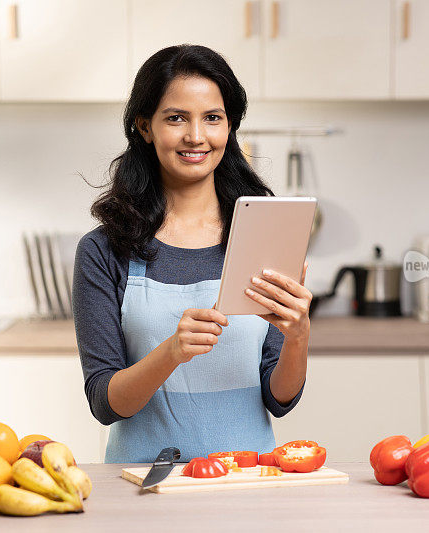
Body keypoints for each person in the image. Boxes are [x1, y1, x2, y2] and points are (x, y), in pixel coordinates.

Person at [73, 44, 312, 463]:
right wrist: (172, 352)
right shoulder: (104, 249)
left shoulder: (262, 236)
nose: (196, 136)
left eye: (212, 118)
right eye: (176, 118)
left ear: (230, 126)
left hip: (248, 482)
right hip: (143, 486)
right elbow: (105, 403)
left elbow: (280, 399)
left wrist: (299, 335)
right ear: (145, 127)